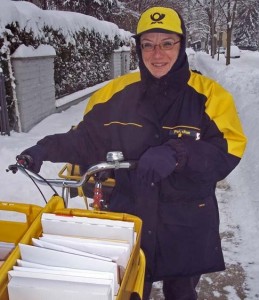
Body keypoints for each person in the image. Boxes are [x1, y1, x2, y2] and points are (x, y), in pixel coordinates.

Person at [18, 6, 247, 300]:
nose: (157, 54)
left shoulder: (210, 96)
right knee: (129, 290)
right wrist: (43, 149)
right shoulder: (115, 94)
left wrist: (178, 153)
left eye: (167, 43)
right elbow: (85, 140)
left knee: (182, 292)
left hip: (186, 222)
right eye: (148, 45)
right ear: (138, 49)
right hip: (130, 218)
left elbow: (228, 149)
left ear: (182, 44)